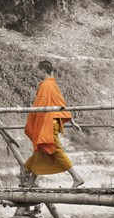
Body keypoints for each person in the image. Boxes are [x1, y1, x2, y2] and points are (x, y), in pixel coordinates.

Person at [23, 60, 85, 188]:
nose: (36, 73)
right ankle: (29, 182)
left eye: (37, 71)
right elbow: (61, 104)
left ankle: (77, 177)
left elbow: (51, 105)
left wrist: (73, 122)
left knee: (56, 151)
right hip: (47, 122)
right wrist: (73, 122)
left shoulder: (47, 85)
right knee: (40, 151)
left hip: (48, 124)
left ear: (43, 71)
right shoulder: (51, 85)